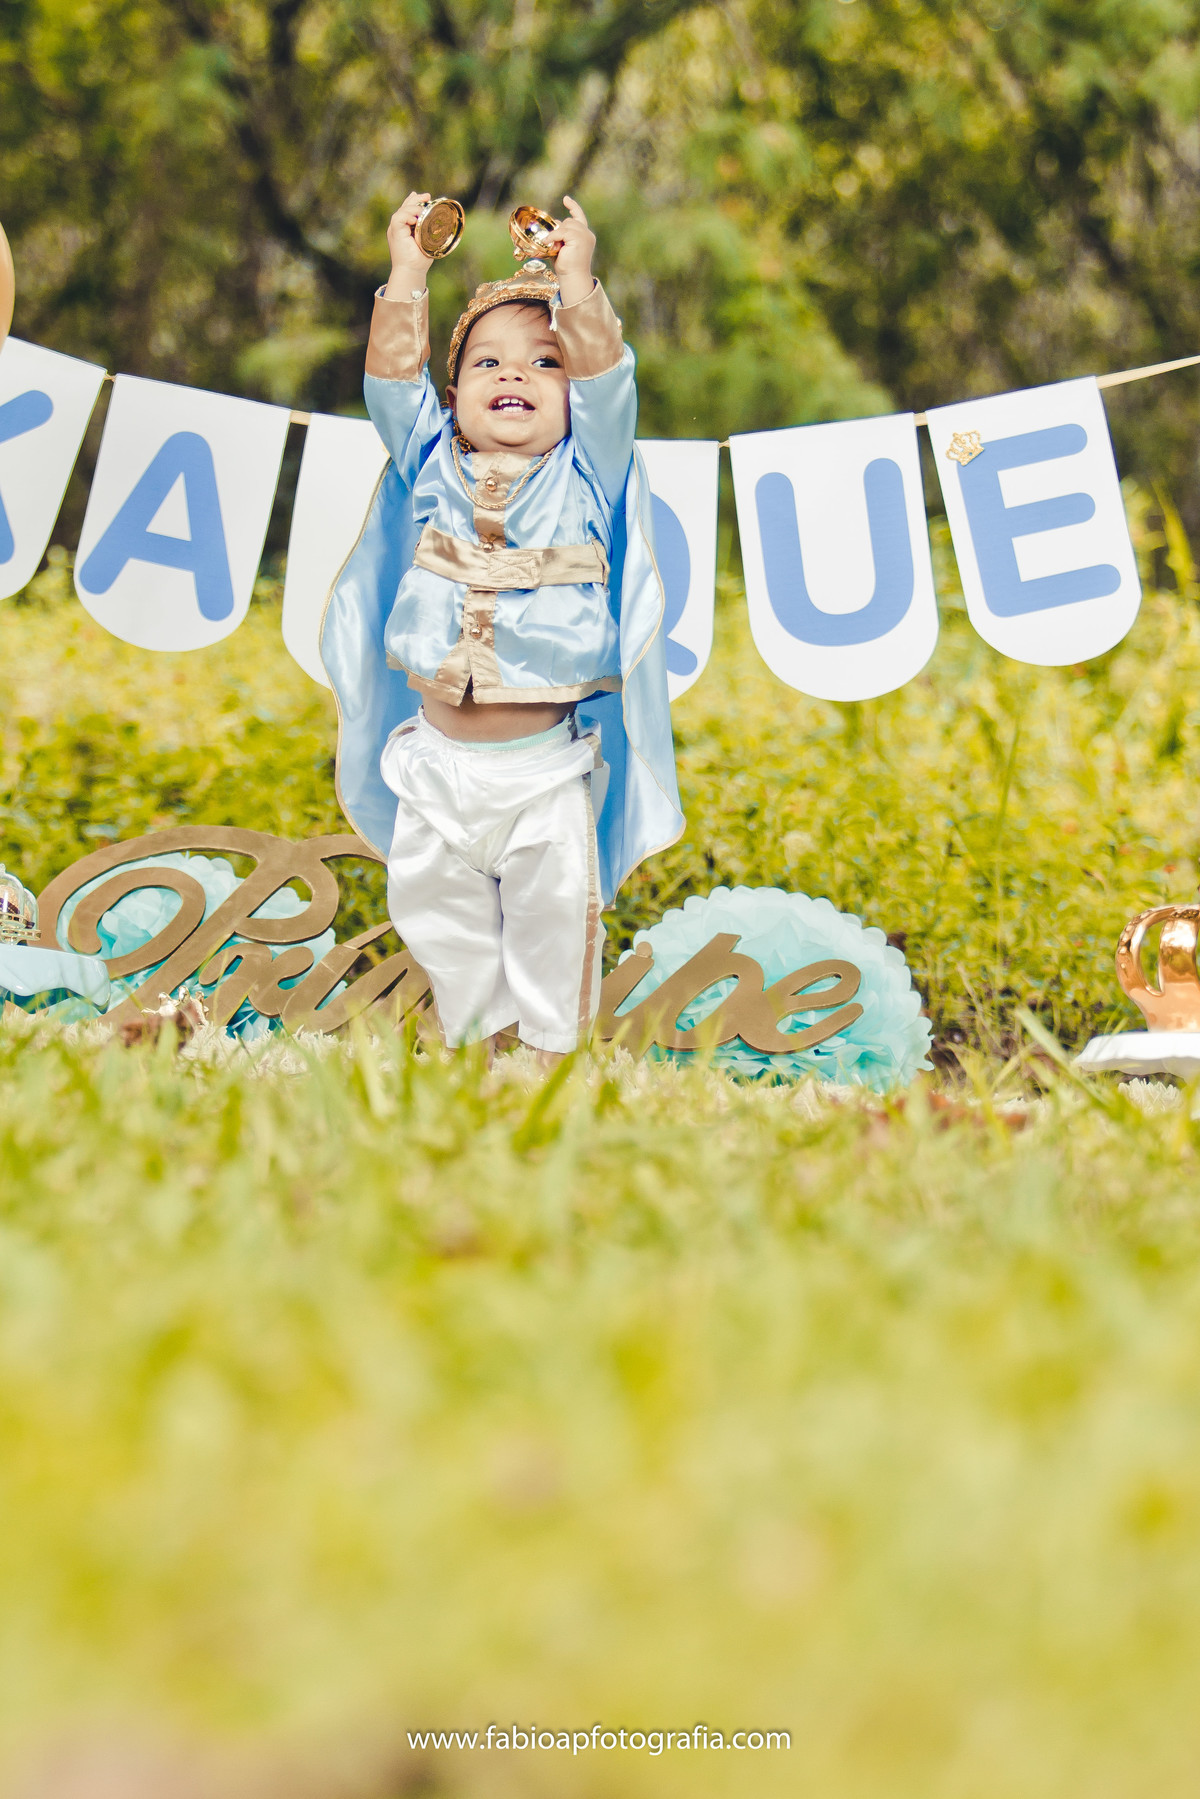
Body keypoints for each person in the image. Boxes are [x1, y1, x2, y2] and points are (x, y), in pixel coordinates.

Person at [320, 190, 683, 1063]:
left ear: (573, 396)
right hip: (434, 765)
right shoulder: (431, 457)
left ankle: (553, 1055)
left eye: (542, 363)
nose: (512, 375)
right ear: (453, 397)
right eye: (486, 363)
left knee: (556, 914)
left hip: (539, 773)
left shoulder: (589, 471)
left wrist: (579, 284)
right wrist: (409, 273)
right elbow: (388, 387)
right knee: (431, 909)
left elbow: (608, 384)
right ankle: (480, 1045)